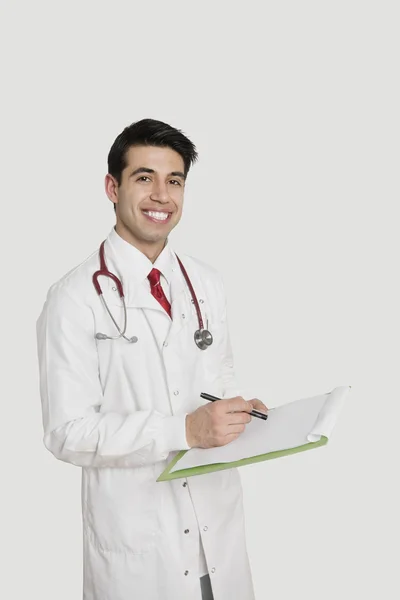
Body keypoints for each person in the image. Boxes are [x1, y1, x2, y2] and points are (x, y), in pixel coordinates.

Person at [36, 118, 268, 600]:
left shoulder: (207, 284)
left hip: (217, 539)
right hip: (141, 553)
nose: (162, 195)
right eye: (145, 178)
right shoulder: (73, 297)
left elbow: (217, 385)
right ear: (112, 186)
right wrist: (182, 431)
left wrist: (240, 415)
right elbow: (66, 433)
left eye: (175, 180)